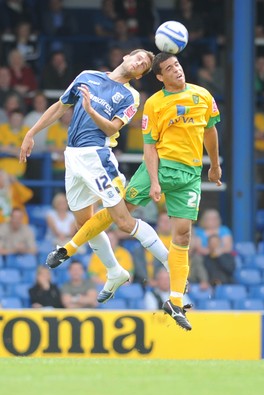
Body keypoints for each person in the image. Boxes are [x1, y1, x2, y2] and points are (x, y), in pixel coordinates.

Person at [42, 52, 222, 330]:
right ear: (159, 77)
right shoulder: (148, 100)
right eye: (168, 67)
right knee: (100, 219)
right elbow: (149, 144)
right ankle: (111, 268)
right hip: (146, 166)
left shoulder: (197, 96)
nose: (176, 69)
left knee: (175, 233)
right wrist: (32, 134)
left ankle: (174, 298)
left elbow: (210, 131)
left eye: (177, 64)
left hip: (184, 172)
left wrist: (215, 165)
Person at [20, 49, 171, 308]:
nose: (138, 63)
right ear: (126, 57)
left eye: (143, 65)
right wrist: (31, 132)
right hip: (73, 157)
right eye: (137, 58)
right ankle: (114, 272)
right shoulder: (87, 76)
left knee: (123, 222)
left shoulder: (130, 96)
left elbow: (112, 128)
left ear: (139, 75)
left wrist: (89, 110)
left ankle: (171, 263)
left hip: (97, 157)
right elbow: (60, 106)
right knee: (85, 224)